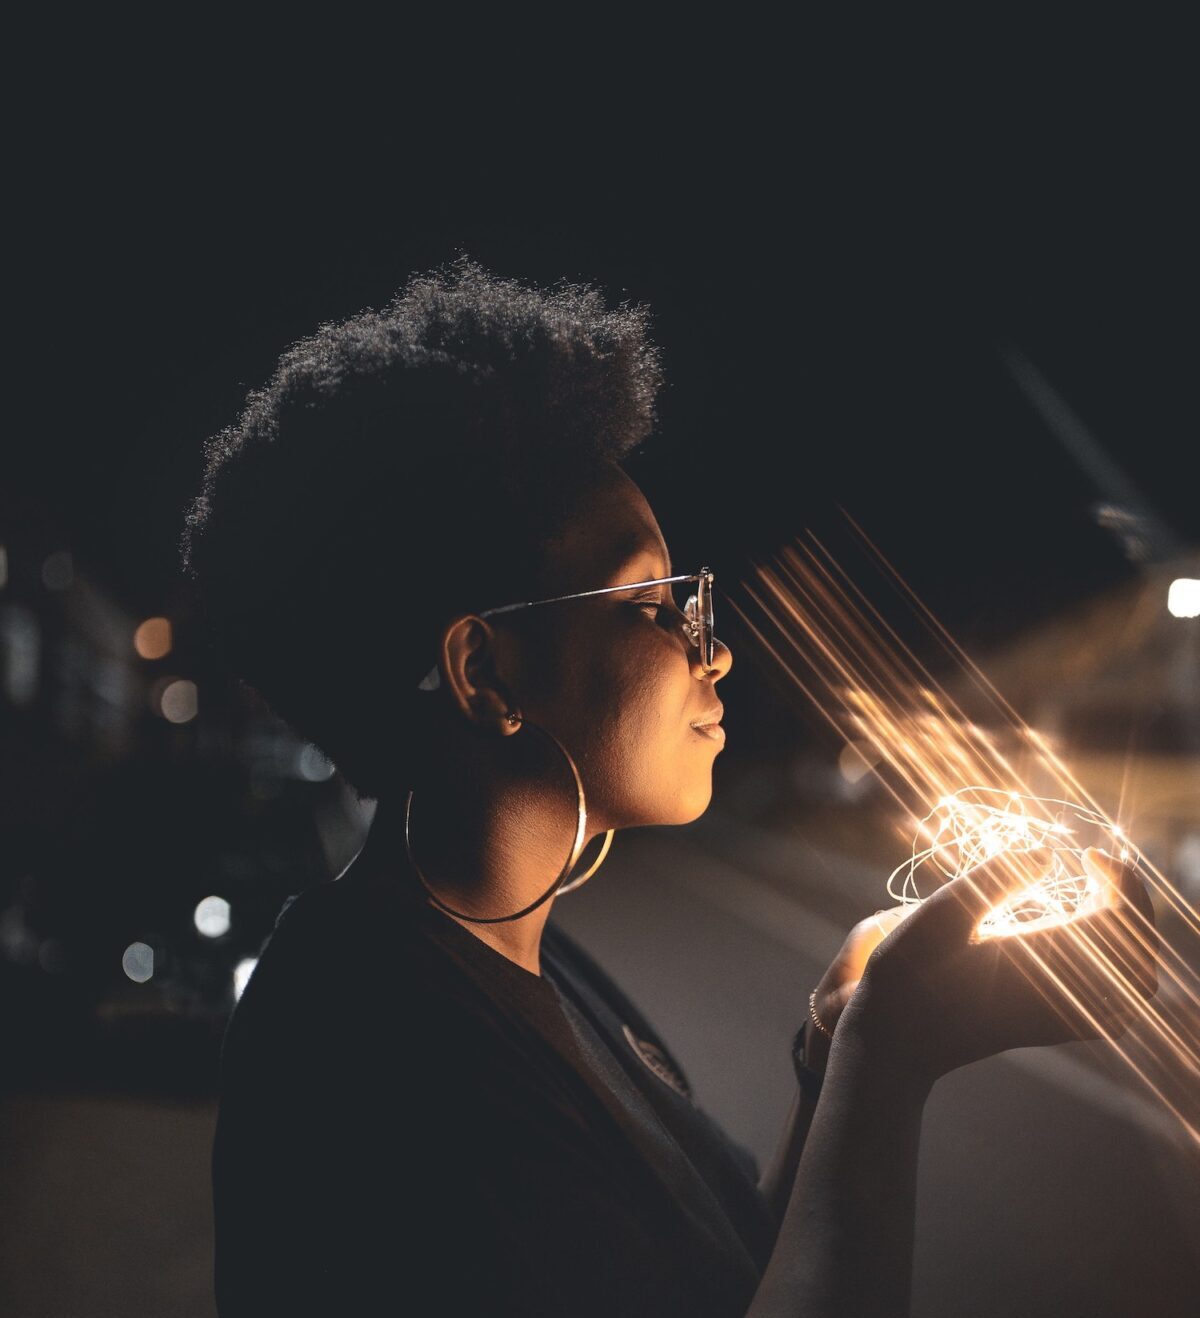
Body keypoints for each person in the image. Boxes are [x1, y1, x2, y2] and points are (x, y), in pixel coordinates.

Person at [181, 259, 1158, 1317]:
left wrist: (832, 1056)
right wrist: (889, 1058)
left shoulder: (519, 958)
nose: (715, 653)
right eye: (651, 601)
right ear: (485, 672)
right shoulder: (366, 1063)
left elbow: (743, 1276)